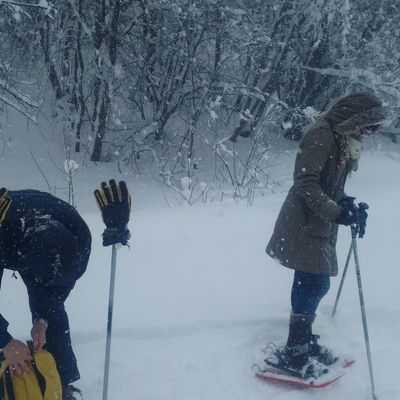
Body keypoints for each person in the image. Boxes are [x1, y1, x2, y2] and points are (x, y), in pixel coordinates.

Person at [265, 92, 388, 376]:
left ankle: (301, 341)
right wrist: (337, 213)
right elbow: (306, 183)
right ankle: (296, 351)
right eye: (366, 127)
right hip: (305, 221)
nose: (366, 135)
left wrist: (347, 204)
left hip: (318, 221)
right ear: (352, 119)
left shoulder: (339, 138)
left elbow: (328, 184)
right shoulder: (322, 135)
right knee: (315, 282)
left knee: (311, 281)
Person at [0, 188, 91, 400]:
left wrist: (42, 319)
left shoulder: (80, 237)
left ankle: (62, 380)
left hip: (41, 235)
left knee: (52, 309)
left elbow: (60, 289)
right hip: (8, 235)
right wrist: (5, 341)